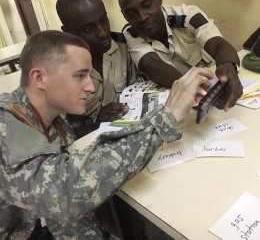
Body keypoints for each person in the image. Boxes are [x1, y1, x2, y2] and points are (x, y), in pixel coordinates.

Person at [0, 30, 213, 239]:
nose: (91, 86)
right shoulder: (5, 124)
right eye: (80, 76)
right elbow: (65, 194)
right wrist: (167, 117)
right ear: (39, 78)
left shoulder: (53, 120)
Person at [118, 0, 243, 112]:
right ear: (124, 16)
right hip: (180, 101)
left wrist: (229, 67)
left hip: (215, 90)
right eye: (132, 13)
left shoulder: (187, 15)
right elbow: (149, 65)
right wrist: (192, 89)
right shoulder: (131, 34)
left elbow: (218, 44)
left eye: (147, 6)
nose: (142, 17)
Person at [56, 0, 140, 138]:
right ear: (67, 32)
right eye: (88, 29)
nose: (102, 33)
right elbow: (59, 137)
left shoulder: (122, 47)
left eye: (103, 20)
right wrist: (97, 125)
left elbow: (137, 93)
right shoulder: (58, 70)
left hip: (127, 134)